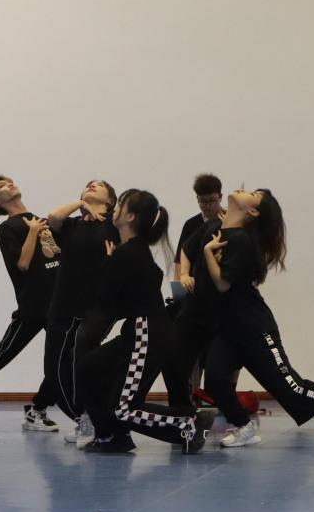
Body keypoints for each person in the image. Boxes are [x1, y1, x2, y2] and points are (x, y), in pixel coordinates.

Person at [201, 188, 314, 449]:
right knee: (215, 381)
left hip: (256, 330)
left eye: (253, 194)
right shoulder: (219, 232)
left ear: (253, 211)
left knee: (292, 387)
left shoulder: (240, 240)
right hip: (230, 332)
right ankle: (244, 427)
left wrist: (208, 252)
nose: (244, 190)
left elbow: (222, 284)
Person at [76, 189, 215, 454]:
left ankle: (189, 421)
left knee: (123, 409)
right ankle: (112, 436)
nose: (115, 209)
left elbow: (104, 298)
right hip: (143, 330)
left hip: (146, 333)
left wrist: (108, 262)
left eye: (120, 205)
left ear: (130, 216)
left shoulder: (127, 253)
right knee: (88, 369)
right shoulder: (134, 251)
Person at [0, 174, 61, 432]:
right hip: (34, 304)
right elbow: (22, 264)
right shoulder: (8, 228)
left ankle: (38, 410)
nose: (9, 185)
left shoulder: (43, 221)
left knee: (63, 361)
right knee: (3, 353)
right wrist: (33, 232)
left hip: (58, 304)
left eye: (9, 182)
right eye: (1, 186)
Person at [45, 180, 120, 447]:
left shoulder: (114, 223)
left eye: (99, 186)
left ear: (110, 200)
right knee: (54, 370)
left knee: (82, 353)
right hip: (64, 303)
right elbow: (53, 217)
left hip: (98, 304)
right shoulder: (71, 225)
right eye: (88, 185)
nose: (92, 186)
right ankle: (81, 418)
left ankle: (92, 415)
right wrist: (80, 203)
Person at [174, 173, 224, 280]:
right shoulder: (191, 224)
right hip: (195, 282)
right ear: (197, 198)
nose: (208, 206)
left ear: (220, 197)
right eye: (203, 202)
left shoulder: (227, 221)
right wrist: (178, 283)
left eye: (212, 201)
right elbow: (179, 259)